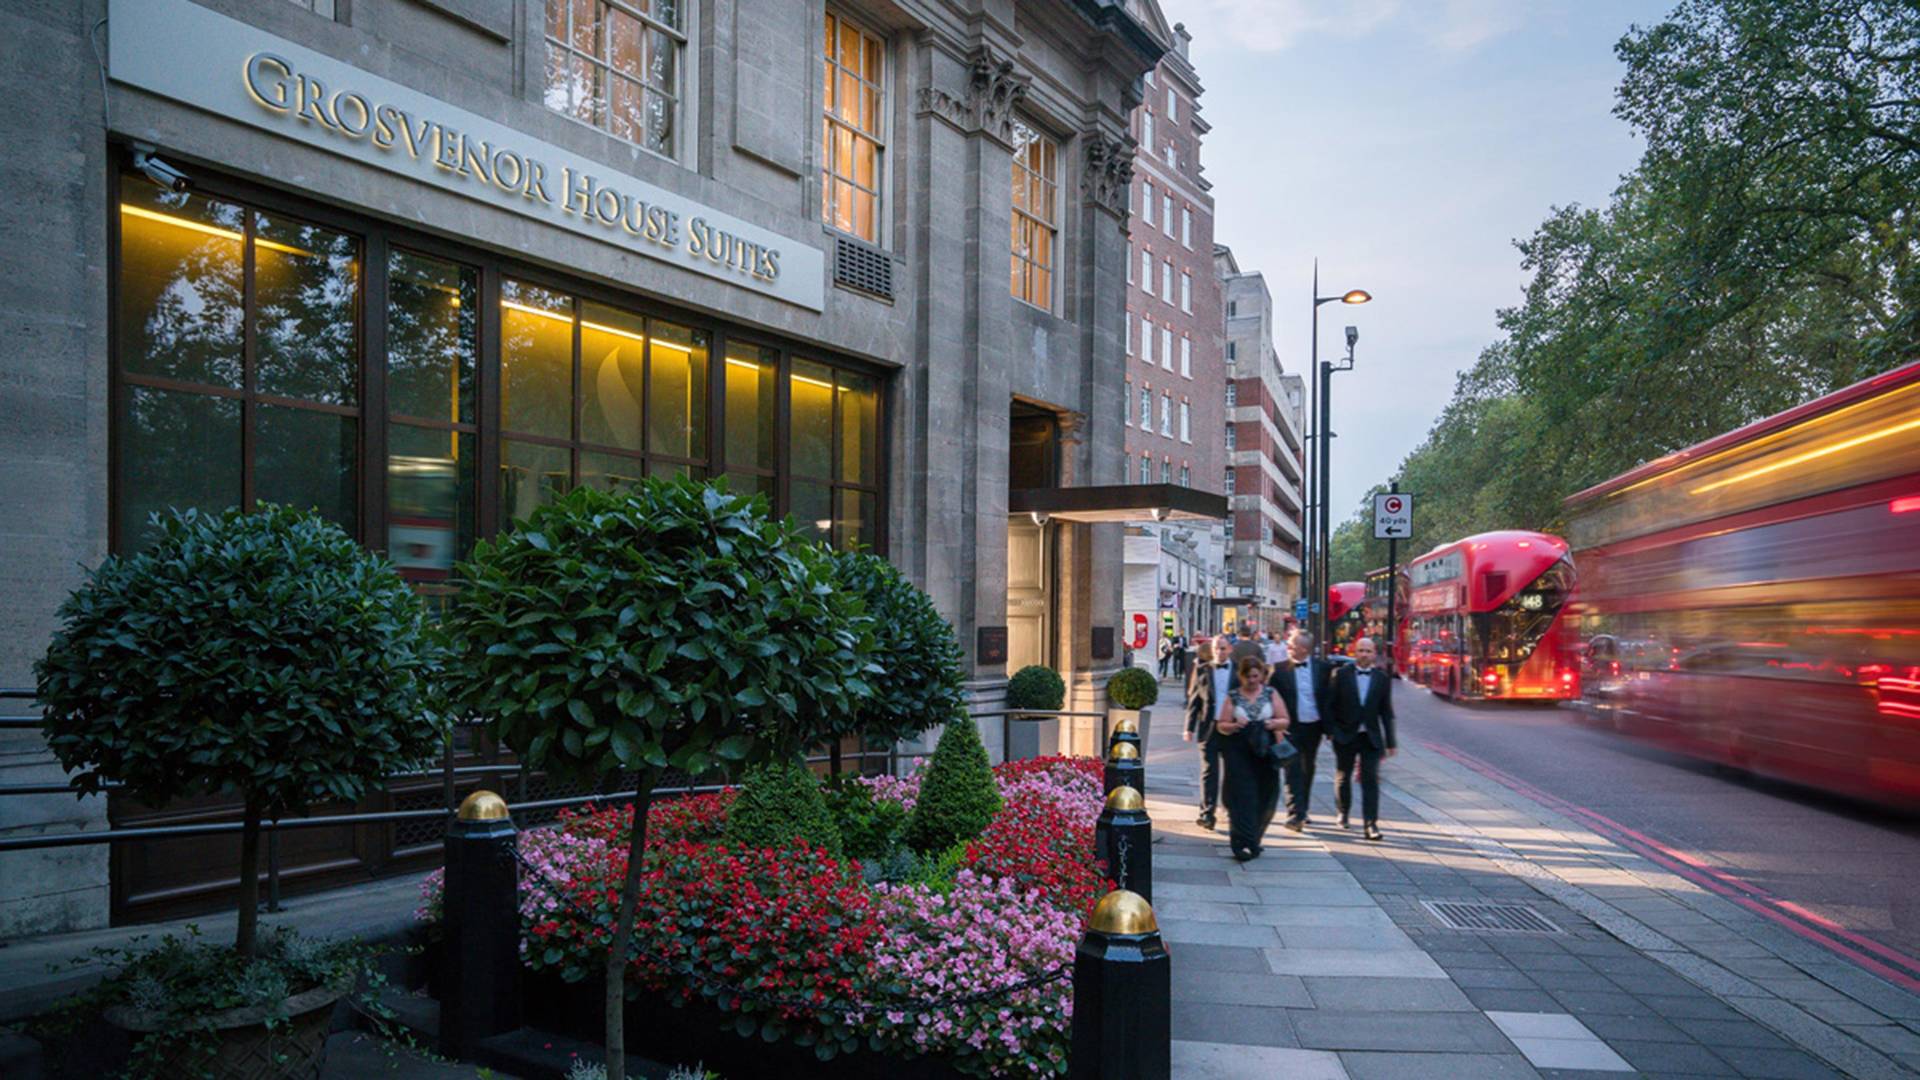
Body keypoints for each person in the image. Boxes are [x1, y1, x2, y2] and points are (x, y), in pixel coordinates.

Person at [1215, 655, 1287, 861]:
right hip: (1239, 752)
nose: (1252, 680)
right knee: (1242, 797)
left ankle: (1254, 838)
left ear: (1262, 675)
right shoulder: (1233, 696)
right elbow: (1222, 725)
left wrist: (1273, 724)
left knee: (1266, 796)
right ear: (1241, 676)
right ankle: (1241, 843)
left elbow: (1285, 720)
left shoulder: (1271, 694)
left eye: (1256, 676)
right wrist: (1235, 725)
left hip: (1265, 751)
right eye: (1248, 677)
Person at [1326, 636, 1397, 842]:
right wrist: (1331, 730)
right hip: (1345, 735)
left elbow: (1386, 711)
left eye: (1368, 651)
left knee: (1370, 781)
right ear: (1354, 652)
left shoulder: (1381, 678)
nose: (1364, 655)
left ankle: (1370, 824)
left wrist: (1390, 741)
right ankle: (1343, 811)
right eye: (1360, 651)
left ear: (1374, 654)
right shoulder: (1340, 674)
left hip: (1370, 737)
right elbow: (1329, 705)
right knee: (1343, 775)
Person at [1272, 629, 1331, 831]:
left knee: (1308, 768)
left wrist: (1330, 728)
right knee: (1292, 769)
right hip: (1291, 727)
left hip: (1314, 727)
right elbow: (1272, 700)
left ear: (1304, 649)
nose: (1288, 646)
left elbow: (1328, 699)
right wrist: (1277, 727)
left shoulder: (1323, 669)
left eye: (1292, 644)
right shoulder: (1278, 670)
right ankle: (1294, 814)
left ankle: (1303, 809)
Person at [1182, 639, 1226, 829]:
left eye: (1223, 648)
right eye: (1217, 648)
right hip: (1208, 728)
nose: (1220, 652)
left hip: (1231, 729)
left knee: (1233, 772)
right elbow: (1194, 700)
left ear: (1229, 650)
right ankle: (1207, 813)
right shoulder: (1203, 670)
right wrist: (1189, 727)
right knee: (1209, 771)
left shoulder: (1238, 671)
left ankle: (1230, 808)